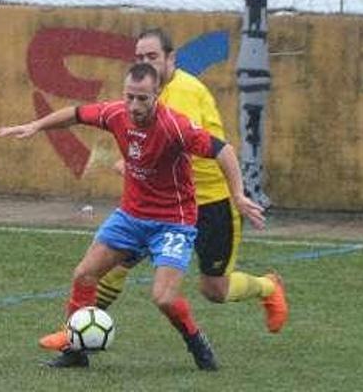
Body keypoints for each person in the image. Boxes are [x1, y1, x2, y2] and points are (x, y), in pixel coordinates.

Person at [0, 63, 265, 370]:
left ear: (158, 94)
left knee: (163, 298)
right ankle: (75, 351)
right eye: (130, 97)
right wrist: (36, 126)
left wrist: (239, 194)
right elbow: (75, 113)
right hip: (131, 218)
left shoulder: (174, 126)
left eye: (143, 99)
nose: (135, 106)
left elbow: (223, 150)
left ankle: (196, 341)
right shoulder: (115, 114)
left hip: (173, 222)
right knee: (84, 274)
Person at [93, 28, 288, 333]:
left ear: (171, 58)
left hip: (211, 203)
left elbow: (177, 145)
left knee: (214, 290)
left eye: (153, 56)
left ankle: (268, 287)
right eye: (140, 57)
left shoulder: (184, 93)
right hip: (165, 208)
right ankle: (76, 334)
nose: (146, 63)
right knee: (116, 265)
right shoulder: (147, 93)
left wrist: (132, 162)